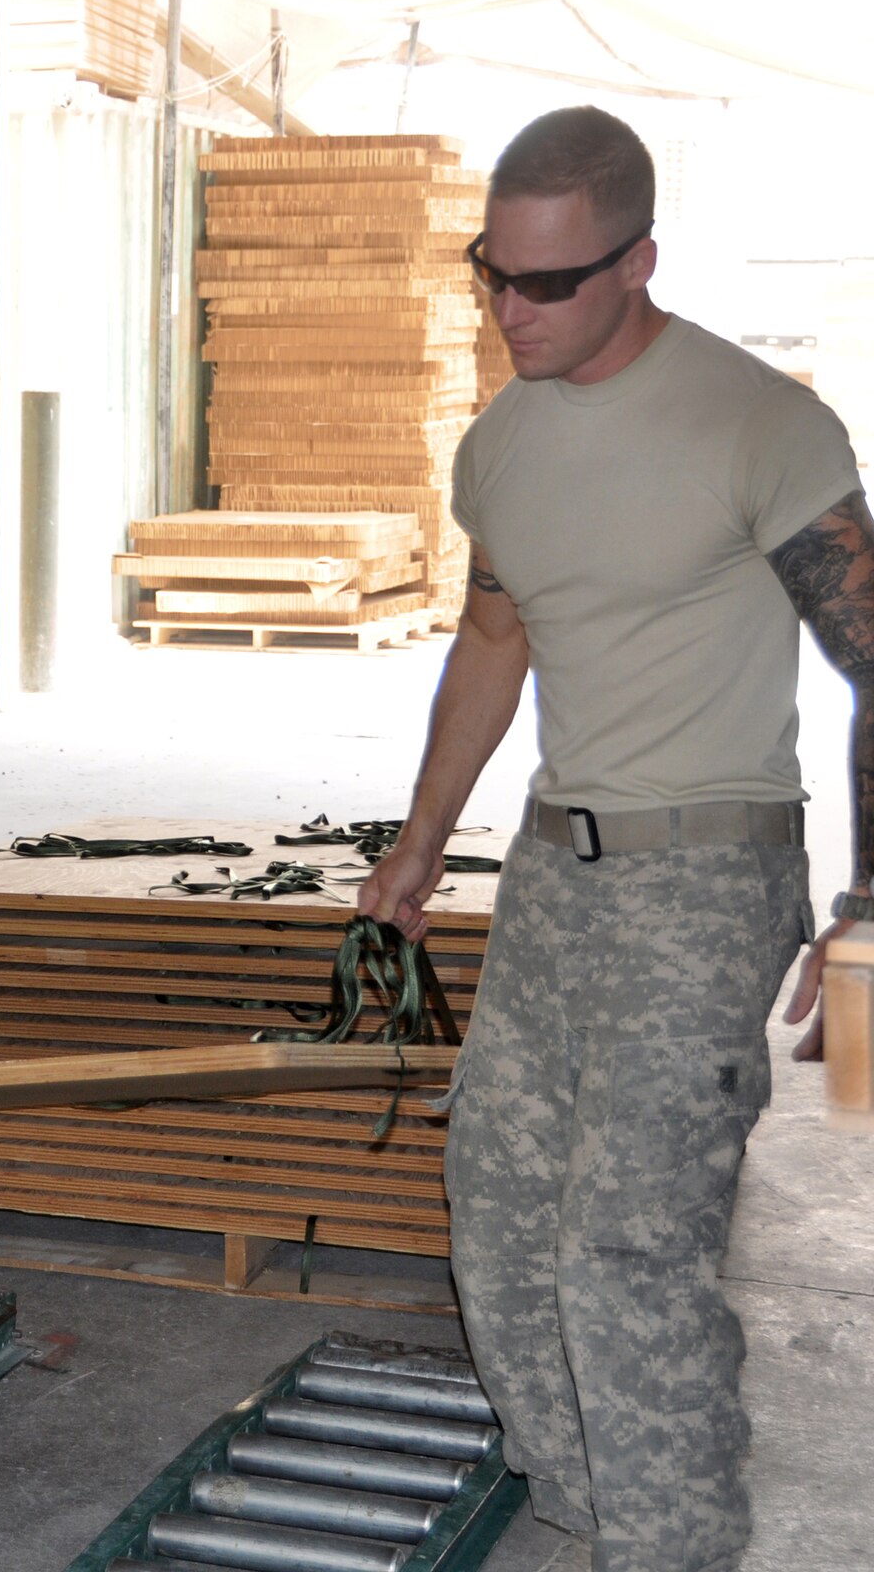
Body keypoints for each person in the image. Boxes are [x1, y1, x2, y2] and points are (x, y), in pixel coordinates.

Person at [361, 106, 870, 1572]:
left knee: (629, 1252)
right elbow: (493, 640)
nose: (513, 310)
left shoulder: (761, 424)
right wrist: (420, 843)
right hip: (552, 872)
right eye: (492, 276)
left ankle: (673, 1548)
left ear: (640, 262)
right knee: (501, 1213)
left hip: (709, 879)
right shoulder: (502, 445)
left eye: (551, 284)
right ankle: (583, 1495)